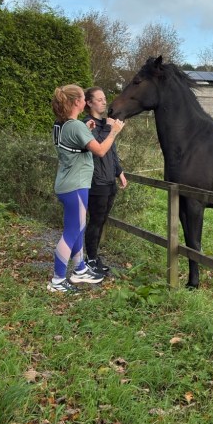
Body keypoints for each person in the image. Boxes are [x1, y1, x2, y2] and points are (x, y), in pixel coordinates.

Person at [49, 84, 125, 292]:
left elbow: (74, 145)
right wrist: (113, 132)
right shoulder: (76, 126)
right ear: (77, 102)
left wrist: (87, 131)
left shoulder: (62, 124)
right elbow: (100, 150)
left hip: (68, 183)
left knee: (78, 227)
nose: (85, 102)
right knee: (72, 232)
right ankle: (57, 280)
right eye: (83, 98)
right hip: (75, 185)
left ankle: (80, 269)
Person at [82, 87, 127, 275]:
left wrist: (119, 171)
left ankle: (94, 257)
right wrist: (110, 129)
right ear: (89, 103)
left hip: (109, 180)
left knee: (102, 221)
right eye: (99, 99)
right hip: (96, 181)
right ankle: (90, 259)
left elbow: (111, 150)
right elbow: (99, 147)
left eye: (104, 99)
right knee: (95, 221)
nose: (104, 102)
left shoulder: (105, 123)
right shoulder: (87, 125)